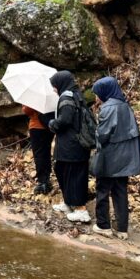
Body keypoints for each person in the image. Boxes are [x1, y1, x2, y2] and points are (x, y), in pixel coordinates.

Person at [90, 77, 140, 240]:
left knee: (102, 190)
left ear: (104, 91)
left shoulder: (108, 109)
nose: (96, 97)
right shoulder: (125, 106)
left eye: (97, 93)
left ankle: (103, 226)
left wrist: (96, 130)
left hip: (110, 158)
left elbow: (102, 136)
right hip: (126, 159)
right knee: (120, 192)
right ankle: (122, 229)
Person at [47, 71, 91, 223]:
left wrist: (52, 124)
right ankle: (68, 202)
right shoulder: (76, 95)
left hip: (71, 145)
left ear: (61, 83)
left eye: (54, 85)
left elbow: (65, 120)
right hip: (77, 144)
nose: (53, 89)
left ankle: (81, 210)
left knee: (74, 175)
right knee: (64, 171)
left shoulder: (66, 97)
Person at [23, 105, 55, 194]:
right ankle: (47, 179)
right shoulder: (50, 93)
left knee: (39, 155)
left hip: (36, 126)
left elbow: (27, 110)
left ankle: (42, 182)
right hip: (48, 126)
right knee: (46, 153)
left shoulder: (33, 95)